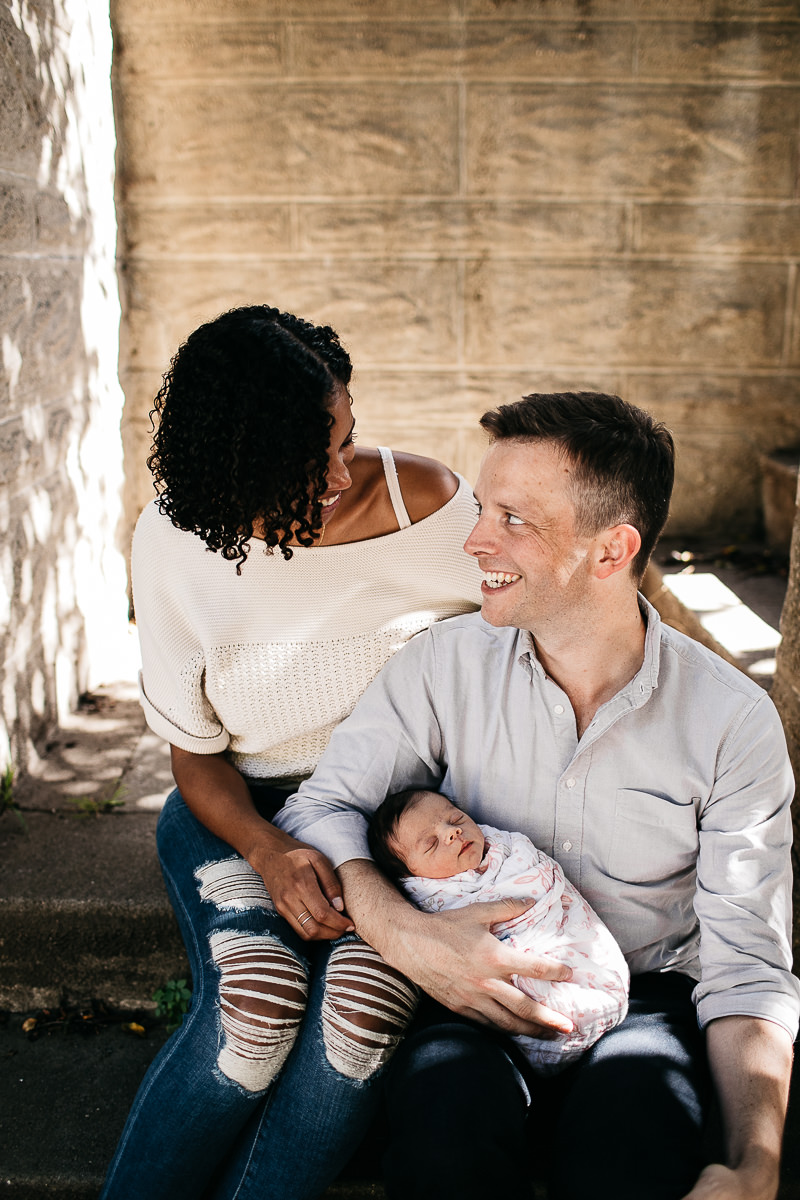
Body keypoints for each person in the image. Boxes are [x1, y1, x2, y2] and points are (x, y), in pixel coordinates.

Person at [275, 391, 800, 1200]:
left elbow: (747, 971)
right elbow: (319, 811)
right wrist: (405, 932)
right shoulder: (442, 667)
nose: (474, 540)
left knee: (633, 1157)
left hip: (644, 998)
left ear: (611, 549)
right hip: (471, 986)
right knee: (441, 1143)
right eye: (484, 509)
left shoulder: (731, 721)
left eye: (514, 519)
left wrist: (756, 1164)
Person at [100, 304, 481, 1200]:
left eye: (346, 439)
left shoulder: (426, 505)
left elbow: (545, 632)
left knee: (360, 1018)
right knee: (257, 1011)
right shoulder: (174, 543)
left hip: (396, 827)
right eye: (311, 459)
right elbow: (195, 756)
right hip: (241, 810)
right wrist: (268, 851)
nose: (342, 473)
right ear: (236, 464)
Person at [367, 787, 629, 1073]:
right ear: (410, 876)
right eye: (431, 844)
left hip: (572, 945)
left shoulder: (510, 850)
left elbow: (543, 881)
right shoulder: (431, 898)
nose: (452, 832)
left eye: (455, 819)